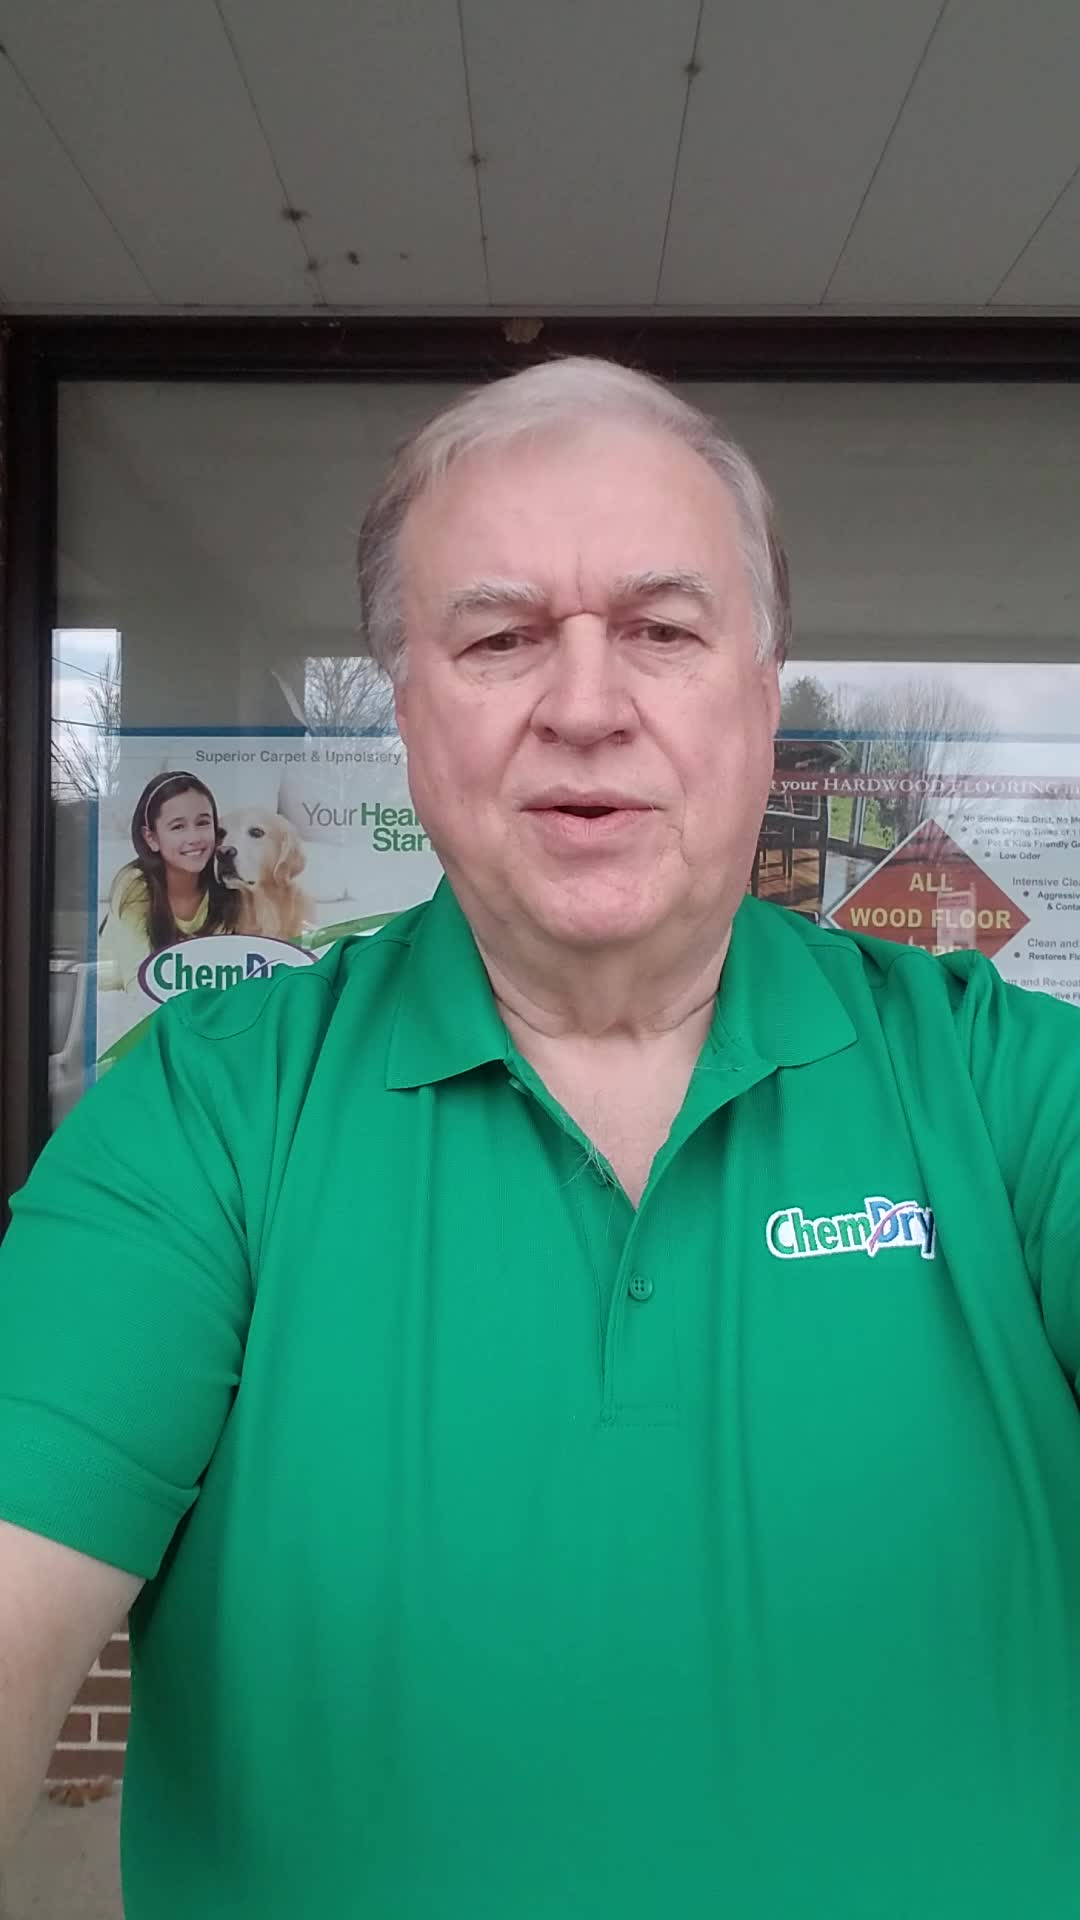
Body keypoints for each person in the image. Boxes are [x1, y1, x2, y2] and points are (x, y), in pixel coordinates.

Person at [2, 358, 1080, 1919]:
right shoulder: (209, 1117)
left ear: (760, 698)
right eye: (501, 638)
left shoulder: (1007, 1089)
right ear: (409, 715)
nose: (584, 706)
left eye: (663, 629)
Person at [98, 772, 240, 988]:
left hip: (192, 1000)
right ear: (151, 838)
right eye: (178, 827)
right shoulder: (134, 885)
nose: (194, 838)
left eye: (203, 823)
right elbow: (140, 983)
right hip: (119, 999)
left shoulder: (225, 880)